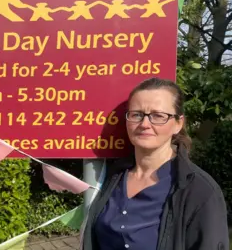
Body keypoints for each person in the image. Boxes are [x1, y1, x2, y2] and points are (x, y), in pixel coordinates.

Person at [81, 78, 229, 250]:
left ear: (178, 124)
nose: (145, 124)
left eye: (158, 116)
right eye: (136, 114)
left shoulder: (200, 191)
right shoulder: (112, 177)